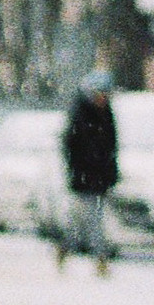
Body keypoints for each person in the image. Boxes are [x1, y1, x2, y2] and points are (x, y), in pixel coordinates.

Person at [61, 69, 119, 276]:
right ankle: (99, 257)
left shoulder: (107, 114)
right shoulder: (80, 114)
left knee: (86, 220)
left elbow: (111, 146)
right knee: (89, 219)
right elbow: (71, 146)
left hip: (100, 177)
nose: (103, 98)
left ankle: (68, 248)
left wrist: (111, 171)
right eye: (100, 94)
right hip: (84, 177)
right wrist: (78, 171)